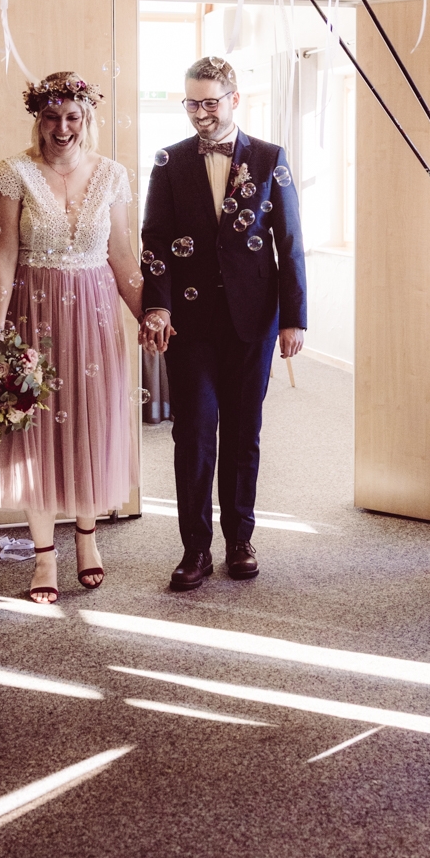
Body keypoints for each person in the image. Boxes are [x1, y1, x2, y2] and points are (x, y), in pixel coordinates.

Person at [139, 56, 307, 591]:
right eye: (192, 103)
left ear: (236, 99)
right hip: (189, 325)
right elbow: (155, 240)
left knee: (243, 432)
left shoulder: (271, 158)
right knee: (191, 434)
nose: (201, 114)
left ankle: (240, 538)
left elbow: (291, 245)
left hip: (253, 321)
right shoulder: (169, 162)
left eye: (210, 102)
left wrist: (294, 318)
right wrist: (157, 305)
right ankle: (195, 550)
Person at [0, 72, 143, 604]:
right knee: (37, 430)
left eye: (72, 116)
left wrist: (150, 316)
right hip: (36, 312)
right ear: (38, 118)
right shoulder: (13, 174)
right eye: (51, 116)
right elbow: (2, 258)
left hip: (96, 313)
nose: (62, 127)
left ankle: (88, 540)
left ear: (87, 118)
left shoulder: (113, 175)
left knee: (88, 422)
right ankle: (44, 555)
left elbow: (122, 256)